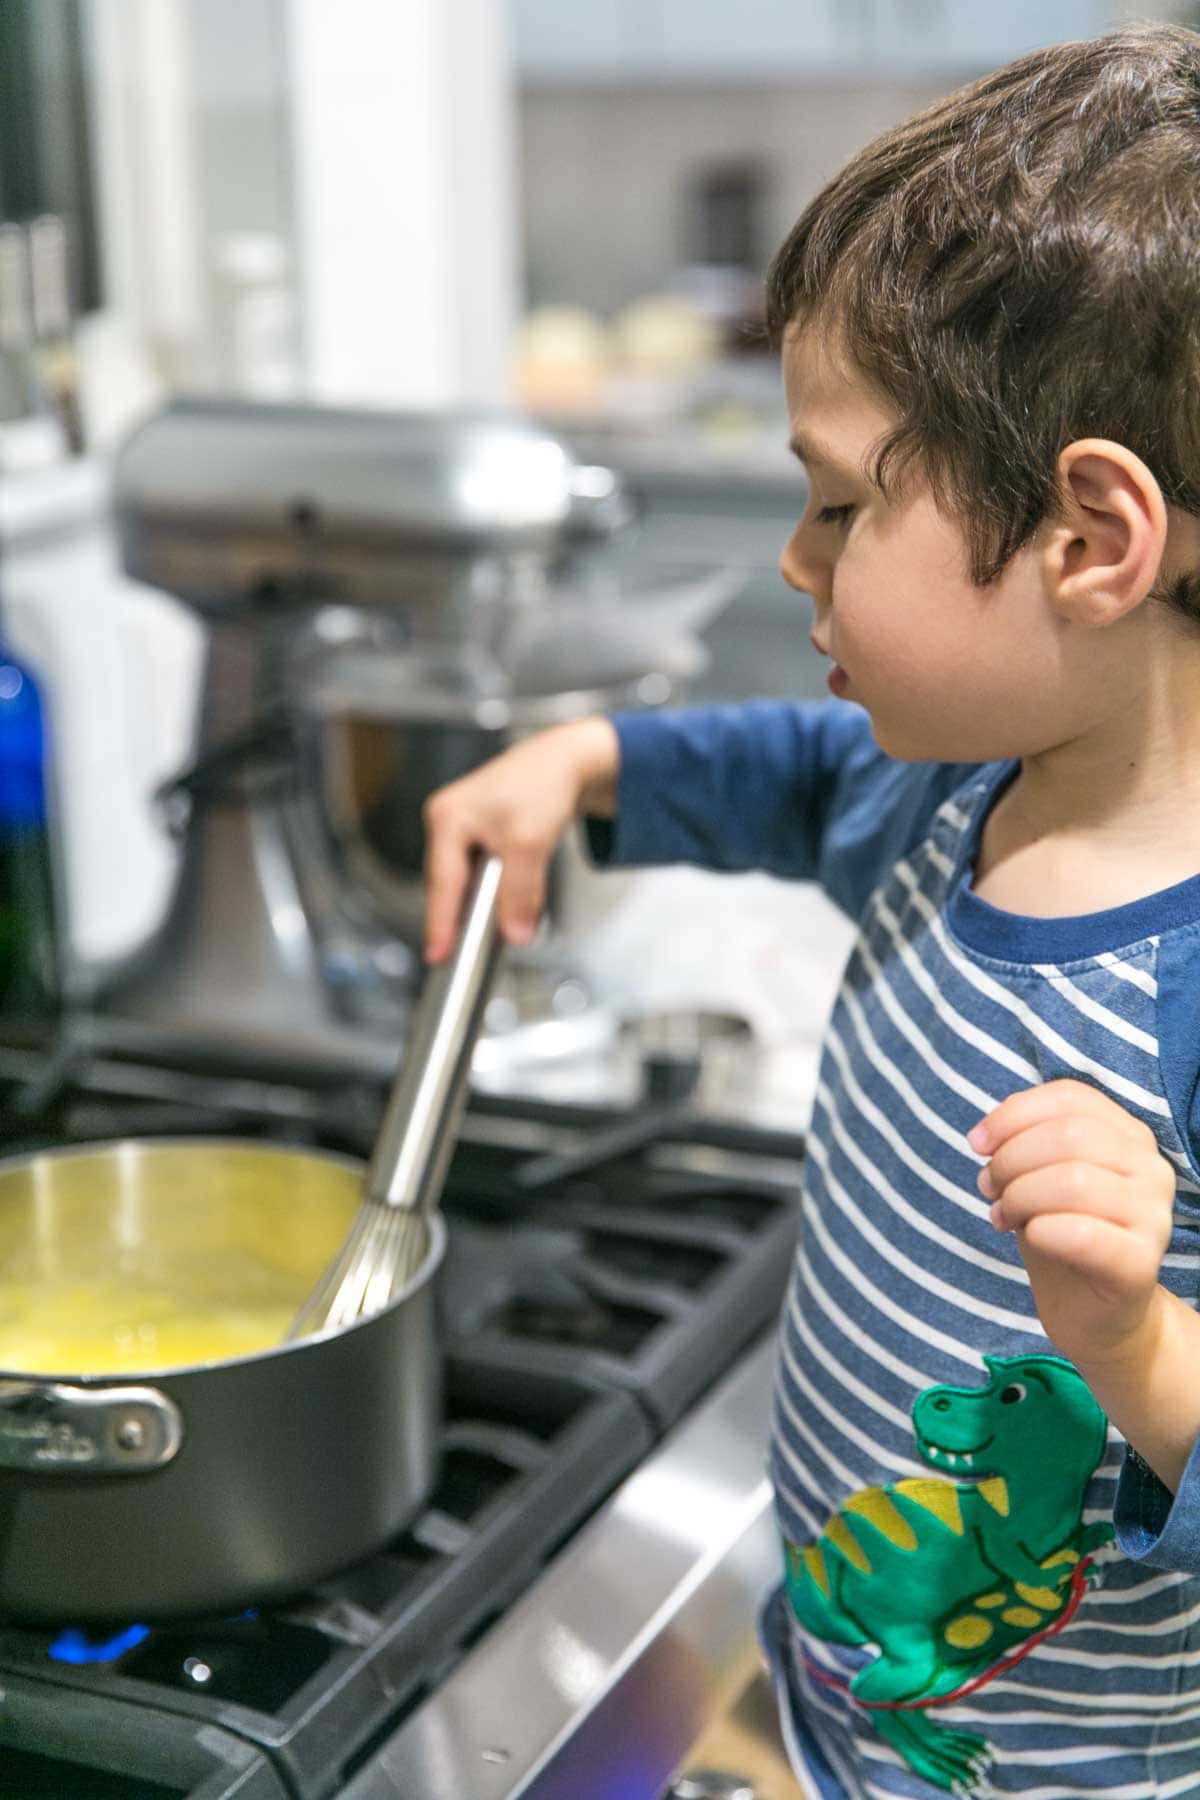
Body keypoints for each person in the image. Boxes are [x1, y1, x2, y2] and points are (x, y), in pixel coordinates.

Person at [422, 24, 1200, 1797]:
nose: (798, 560)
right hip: (843, 1714)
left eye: (844, 502)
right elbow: (788, 768)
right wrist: (589, 760)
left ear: (1091, 536)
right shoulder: (943, 790)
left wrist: (1140, 1343)